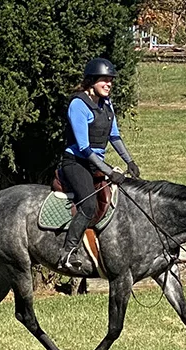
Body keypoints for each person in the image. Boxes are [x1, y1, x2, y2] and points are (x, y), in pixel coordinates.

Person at [57, 57, 141, 270]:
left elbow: (114, 137)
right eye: (104, 80)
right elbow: (84, 148)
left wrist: (129, 161)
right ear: (92, 81)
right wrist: (109, 171)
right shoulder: (78, 105)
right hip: (76, 163)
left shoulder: (106, 104)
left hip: (96, 164)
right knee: (88, 204)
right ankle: (68, 252)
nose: (109, 84)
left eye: (111, 80)